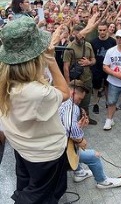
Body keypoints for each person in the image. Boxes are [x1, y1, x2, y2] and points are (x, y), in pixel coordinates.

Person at [0, 19, 70, 203]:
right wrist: (51, 59)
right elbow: (65, 92)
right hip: (45, 155)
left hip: (21, 147)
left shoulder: (5, 81)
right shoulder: (37, 93)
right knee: (41, 197)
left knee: (24, 185)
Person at [59, 80, 121, 189]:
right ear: (73, 93)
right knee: (94, 156)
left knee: (75, 147)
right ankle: (102, 181)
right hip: (60, 152)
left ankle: (79, 172)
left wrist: (79, 126)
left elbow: (64, 126)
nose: (79, 102)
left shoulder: (59, 100)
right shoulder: (71, 106)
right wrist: (80, 140)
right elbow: (70, 127)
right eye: (79, 99)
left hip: (55, 145)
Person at [64, 24, 97, 124]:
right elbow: (66, 67)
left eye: (82, 34)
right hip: (76, 81)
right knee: (74, 102)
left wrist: (89, 62)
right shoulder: (69, 48)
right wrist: (68, 84)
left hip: (87, 78)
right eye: (77, 35)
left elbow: (94, 60)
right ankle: (72, 121)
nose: (80, 37)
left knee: (86, 100)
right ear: (73, 34)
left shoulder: (88, 45)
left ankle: (86, 118)